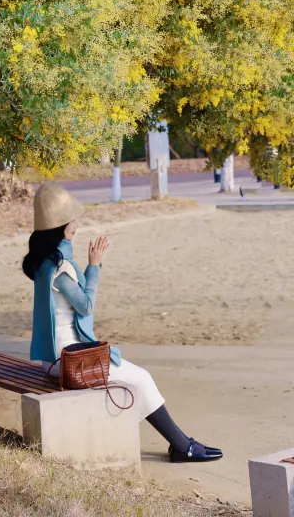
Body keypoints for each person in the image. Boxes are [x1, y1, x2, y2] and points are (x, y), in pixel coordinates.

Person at [23, 182, 222, 463]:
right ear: (60, 227)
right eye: (72, 221)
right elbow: (86, 305)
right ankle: (181, 445)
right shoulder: (61, 268)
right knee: (141, 378)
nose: (77, 225)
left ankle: (181, 443)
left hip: (53, 358)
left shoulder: (43, 262)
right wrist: (94, 265)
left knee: (135, 376)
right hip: (68, 361)